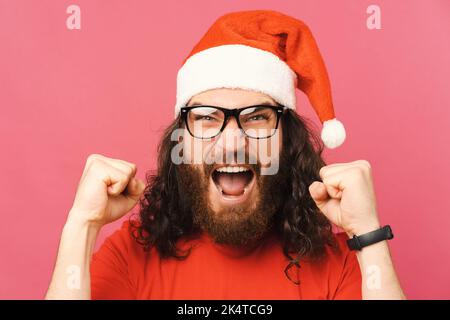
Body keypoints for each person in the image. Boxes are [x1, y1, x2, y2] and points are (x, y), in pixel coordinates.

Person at [45, 10, 405, 300]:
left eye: (257, 117)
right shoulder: (133, 254)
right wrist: (81, 225)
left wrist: (369, 235)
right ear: (180, 144)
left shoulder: (338, 263)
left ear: (287, 141)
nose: (232, 142)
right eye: (205, 118)